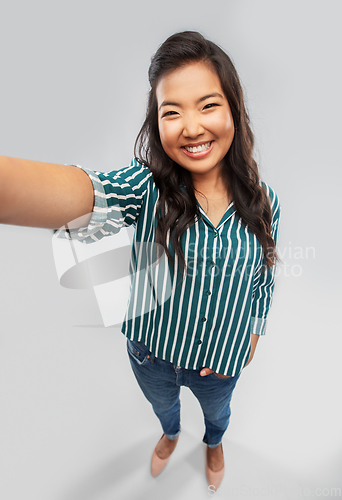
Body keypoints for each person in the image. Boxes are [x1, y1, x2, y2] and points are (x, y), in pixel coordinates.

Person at [0, 31, 281, 491]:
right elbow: (85, 192)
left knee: (219, 414)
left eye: (207, 105)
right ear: (157, 122)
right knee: (164, 409)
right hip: (150, 353)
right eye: (171, 112)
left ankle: (213, 443)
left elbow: (264, 276)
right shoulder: (146, 186)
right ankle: (170, 435)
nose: (190, 127)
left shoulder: (267, 202)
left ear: (234, 108)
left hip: (221, 363)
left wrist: (253, 331)